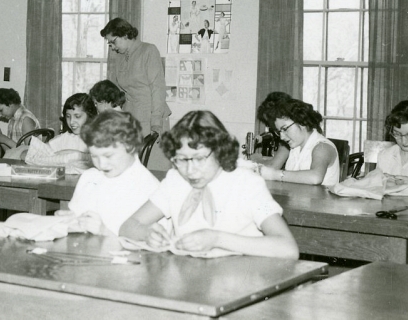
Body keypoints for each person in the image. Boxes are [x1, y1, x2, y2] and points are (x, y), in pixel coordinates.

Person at [119, 111, 298, 259]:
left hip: (241, 280)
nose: (190, 170)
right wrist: (146, 234)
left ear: (219, 151)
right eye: (181, 159)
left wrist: (217, 239)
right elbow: (128, 226)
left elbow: (288, 249)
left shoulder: (246, 183)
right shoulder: (175, 180)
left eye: (199, 159)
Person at [61, 111, 160, 236]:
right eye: (94, 156)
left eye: (108, 155)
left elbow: (151, 246)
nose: (102, 164)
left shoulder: (149, 188)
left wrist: (104, 231)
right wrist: (69, 220)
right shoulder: (90, 177)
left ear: (130, 147)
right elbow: (76, 217)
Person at [101, 17, 171, 169]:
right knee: (132, 170)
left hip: (151, 119)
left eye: (113, 41)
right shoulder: (120, 57)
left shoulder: (149, 50)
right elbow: (119, 91)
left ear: (125, 35)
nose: (112, 47)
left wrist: (156, 122)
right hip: (132, 119)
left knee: (152, 169)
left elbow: (158, 88)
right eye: (109, 43)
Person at [259, 98, 340, 187]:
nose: (282, 137)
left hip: (322, 200)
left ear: (302, 122)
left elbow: (315, 177)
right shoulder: (295, 147)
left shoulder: (322, 147)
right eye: (279, 132)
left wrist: (274, 174)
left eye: (285, 129)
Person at [24, 93, 96, 169]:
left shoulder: (98, 138)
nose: (71, 122)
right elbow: (32, 154)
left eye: (77, 116)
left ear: (89, 116)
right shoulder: (64, 138)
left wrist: (69, 154)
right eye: (68, 116)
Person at [0, 87, 40, 153]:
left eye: (0, 110)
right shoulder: (12, 119)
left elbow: (30, 153)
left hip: (27, 162)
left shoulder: (25, 119)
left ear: (10, 103)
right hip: (16, 161)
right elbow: (10, 152)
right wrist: (1, 139)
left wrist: (5, 139)